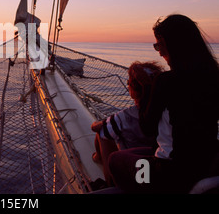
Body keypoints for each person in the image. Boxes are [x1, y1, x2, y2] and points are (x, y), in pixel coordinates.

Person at [108, 14, 219, 193]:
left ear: (174, 45)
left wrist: (144, 91)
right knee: (133, 155)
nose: (158, 51)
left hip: (168, 173)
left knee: (116, 160)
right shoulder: (214, 76)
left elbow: (147, 127)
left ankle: (143, 188)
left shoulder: (167, 81)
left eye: (159, 44)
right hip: (205, 165)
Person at [91, 61, 163, 186]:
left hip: (134, 173)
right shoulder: (167, 112)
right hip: (156, 168)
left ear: (133, 91)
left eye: (129, 82)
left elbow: (95, 128)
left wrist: (100, 123)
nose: (127, 84)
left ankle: (103, 166)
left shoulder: (125, 117)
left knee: (102, 132)